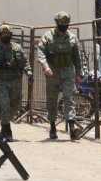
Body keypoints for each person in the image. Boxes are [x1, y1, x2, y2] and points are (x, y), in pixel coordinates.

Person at [36, 11, 83, 140]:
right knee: (52, 99)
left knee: (69, 97)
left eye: (65, 24)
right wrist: (45, 66)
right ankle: (52, 127)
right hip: (53, 72)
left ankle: (72, 129)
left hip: (68, 72)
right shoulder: (48, 36)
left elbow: (77, 58)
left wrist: (79, 74)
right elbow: (40, 53)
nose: (63, 25)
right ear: (56, 23)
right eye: (61, 23)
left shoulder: (72, 38)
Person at [0, 24, 31, 141]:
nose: (6, 36)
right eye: (3, 34)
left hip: (15, 81)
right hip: (1, 81)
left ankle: (4, 125)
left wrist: (29, 73)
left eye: (8, 34)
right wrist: (1, 66)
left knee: (15, 107)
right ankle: (7, 131)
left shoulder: (17, 48)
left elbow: (25, 63)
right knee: (5, 105)